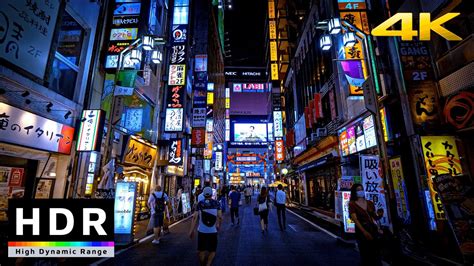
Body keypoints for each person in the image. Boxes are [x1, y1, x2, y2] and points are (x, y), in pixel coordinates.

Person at [349, 184, 383, 266]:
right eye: (358, 190)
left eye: (361, 189)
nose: (360, 191)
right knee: (365, 253)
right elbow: (355, 219)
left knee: (375, 253)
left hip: (372, 230)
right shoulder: (352, 204)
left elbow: (374, 217)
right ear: (354, 192)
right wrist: (364, 232)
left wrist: (380, 217)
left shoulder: (369, 203)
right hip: (361, 231)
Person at [189, 187, 222, 266]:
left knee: (201, 250)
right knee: (212, 250)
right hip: (213, 231)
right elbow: (220, 216)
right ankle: (208, 264)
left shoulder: (200, 204)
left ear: (203, 194)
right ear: (211, 194)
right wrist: (218, 225)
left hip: (202, 231)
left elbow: (194, 217)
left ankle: (202, 264)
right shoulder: (217, 203)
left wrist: (191, 230)